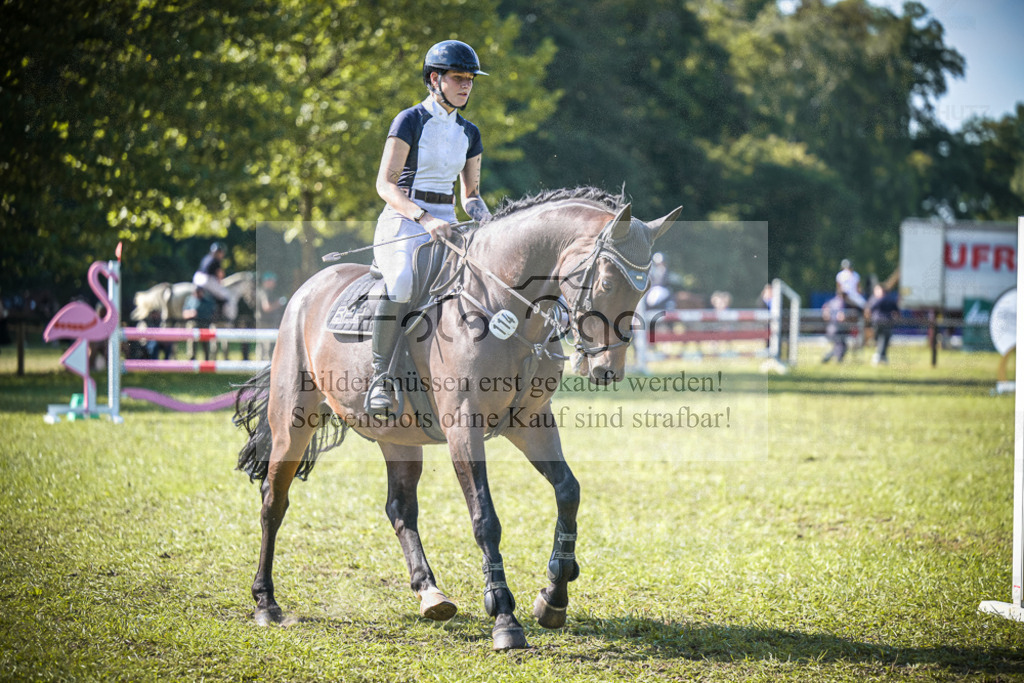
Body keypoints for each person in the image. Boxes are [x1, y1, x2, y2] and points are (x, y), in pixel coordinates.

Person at [368, 40, 492, 413]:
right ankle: (380, 375)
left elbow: (471, 195)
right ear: (435, 79)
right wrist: (424, 217)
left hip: (449, 223)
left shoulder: (469, 133)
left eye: (470, 79)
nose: (466, 85)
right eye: (458, 78)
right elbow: (385, 185)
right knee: (403, 282)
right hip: (403, 219)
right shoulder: (409, 121)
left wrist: (489, 222)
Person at [192, 242, 238, 321]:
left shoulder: (206, 257)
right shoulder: (216, 260)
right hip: (207, 280)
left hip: (197, 278)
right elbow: (219, 275)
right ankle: (224, 316)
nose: (222, 254)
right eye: (221, 252)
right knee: (226, 295)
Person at [866, 284, 899, 365]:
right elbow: (869, 309)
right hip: (877, 322)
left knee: (884, 338)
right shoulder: (874, 299)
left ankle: (881, 356)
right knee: (881, 338)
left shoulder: (887, 299)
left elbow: (896, 310)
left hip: (886, 322)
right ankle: (880, 356)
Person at [821, 293, 847, 363]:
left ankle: (827, 358)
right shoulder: (840, 302)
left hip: (831, 327)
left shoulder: (832, 301)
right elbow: (841, 317)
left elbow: (825, 311)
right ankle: (837, 359)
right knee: (840, 345)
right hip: (836, 327)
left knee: (839, 345)